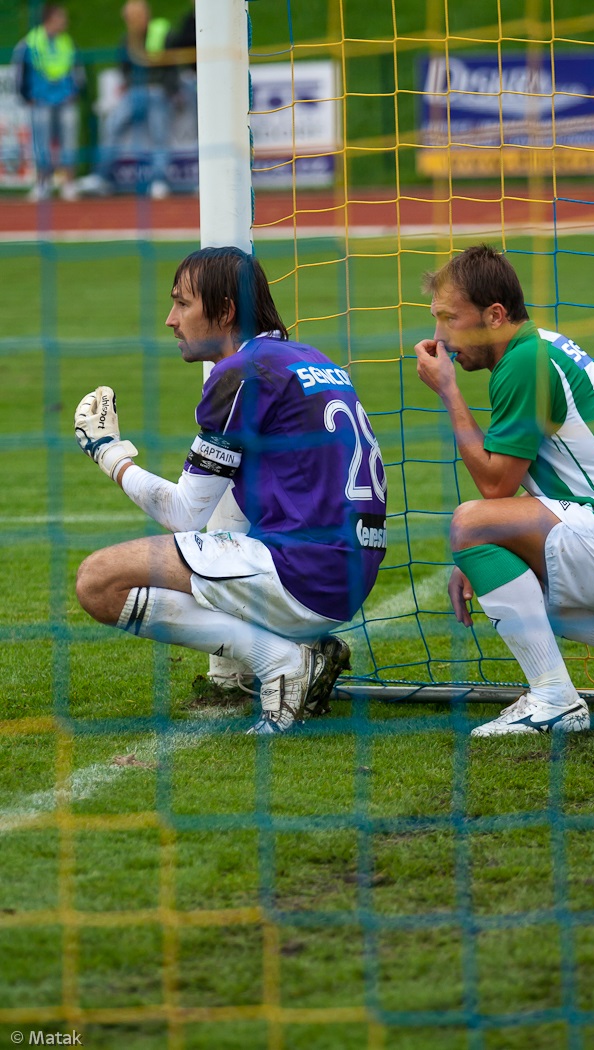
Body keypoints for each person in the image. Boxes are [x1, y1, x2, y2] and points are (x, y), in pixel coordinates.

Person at [73, 246, 387, 734]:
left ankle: (281, 661)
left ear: (224, 311)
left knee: (98, 581)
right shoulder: (309, 358)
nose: (170, 319)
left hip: (303, 573)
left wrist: (108, 453)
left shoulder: (243, 371)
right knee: (221, 522)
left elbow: (184, 514)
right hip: (348, 572)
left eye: (182, 304)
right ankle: (298, 649)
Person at [415, 244, 594, 737]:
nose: (440, 337)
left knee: (468, 522)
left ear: (494, 316)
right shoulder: (537, 348)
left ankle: (553, 699)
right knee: (496, 557)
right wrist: (486, 554)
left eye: (449, 318)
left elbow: (495, 484)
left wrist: (449, 392)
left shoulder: (525, 362)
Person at [79, 0, 175, 199]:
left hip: (157, 91)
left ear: (145, 14)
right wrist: (130, 83)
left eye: (135, 16)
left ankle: (159, 181)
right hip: (135, 91)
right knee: (112, 127)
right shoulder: (127, 38)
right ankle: (100, 177)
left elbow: (172, 64)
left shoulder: (161, 32)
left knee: (159, 136)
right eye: (129, 18)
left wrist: (167, 88)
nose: (132, 21)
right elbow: (123, 66)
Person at [13, 4, 83, 202]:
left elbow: (78, 69)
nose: (65, 21)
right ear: (50, 19)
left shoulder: (67, 42)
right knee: (40, 144)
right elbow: (19, 71)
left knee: (69, 142)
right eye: (61, 17)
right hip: (40, 101)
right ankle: (42, 184)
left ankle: (69, 184)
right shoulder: (29, 43)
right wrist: (26, 96)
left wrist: (76, 91)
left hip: (65, 100)